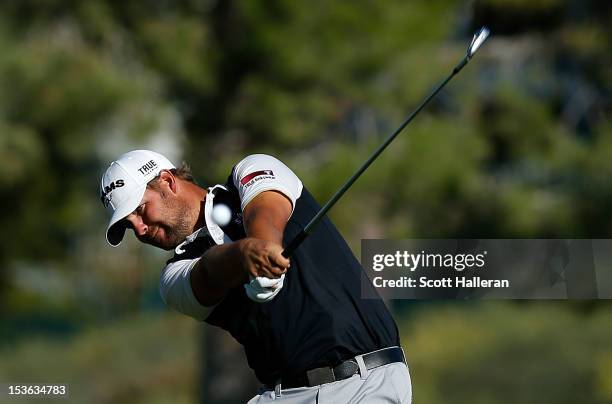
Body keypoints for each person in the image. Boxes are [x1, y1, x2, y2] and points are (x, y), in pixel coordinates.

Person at [100, 149, 412, 403]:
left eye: (140, 210)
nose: (139, 229)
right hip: (282, 396)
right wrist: (243, 256)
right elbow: (208, 272)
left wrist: (263, 246)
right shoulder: (172, 278)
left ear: (167, 181)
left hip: (365, 382)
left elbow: (264, 209)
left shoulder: (249, 172)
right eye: (129, 226)